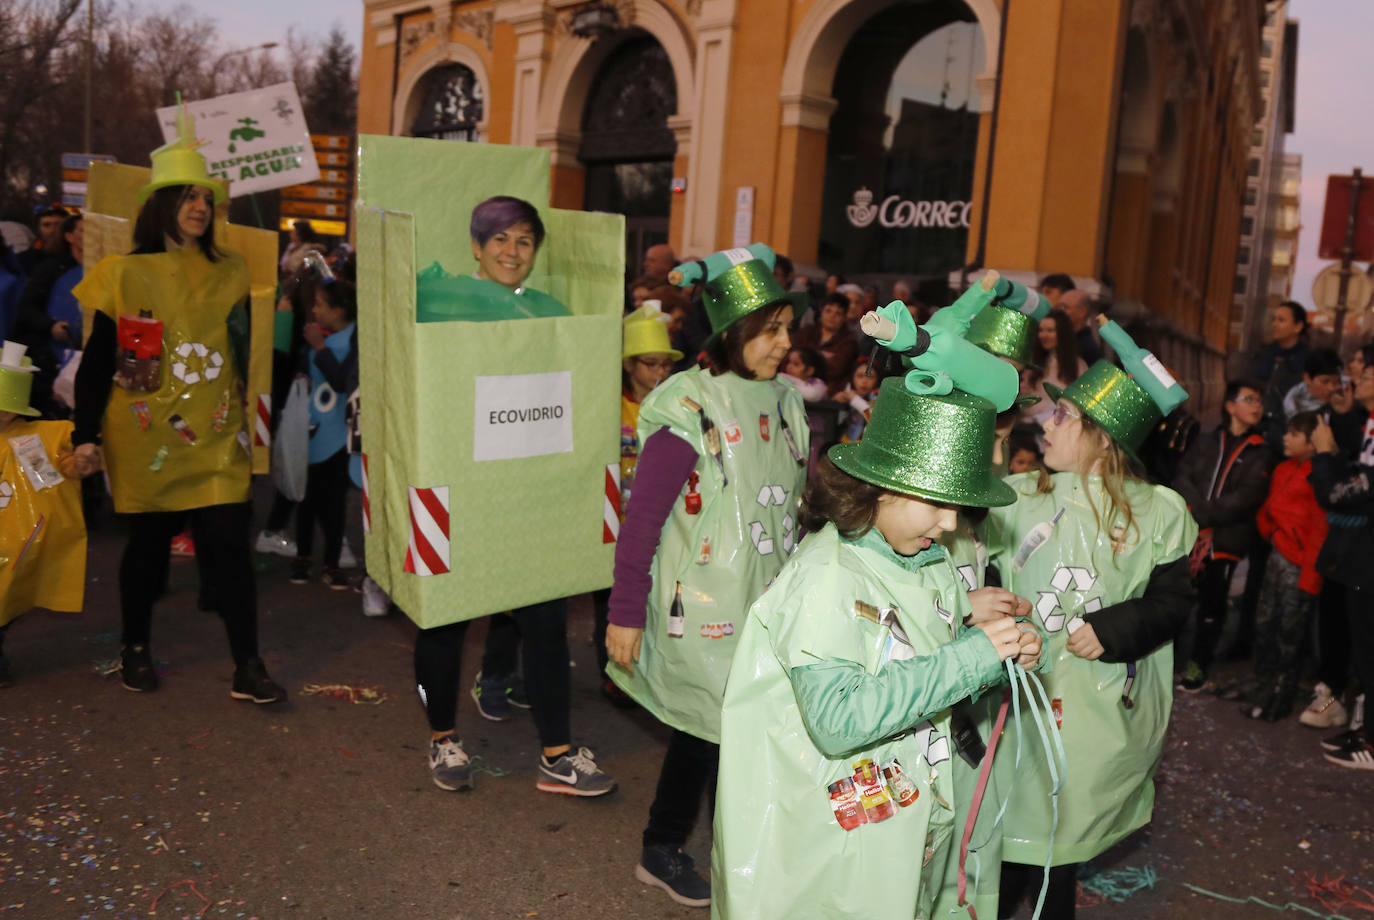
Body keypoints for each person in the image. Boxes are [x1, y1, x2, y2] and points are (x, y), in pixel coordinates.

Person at [711, 382, 1040, 920]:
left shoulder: (924, 559)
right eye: (936, 503)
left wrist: (1003, 658)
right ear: (881, 488)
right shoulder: (825, 579)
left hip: (893, 818)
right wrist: (972, 657)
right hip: (823, 834)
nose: (952, 523)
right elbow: (839, 719)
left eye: (958, 505)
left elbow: (931, 659)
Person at [605, 249, 808, 907]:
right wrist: (626, 612)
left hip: (767, 600)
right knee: (724, 733)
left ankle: (666, 848)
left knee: (713, 732)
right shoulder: (689, 404)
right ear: (730, 331)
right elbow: (644, 522)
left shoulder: (785, 401)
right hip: (704, 611)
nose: (784, 343)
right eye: (770, 329)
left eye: (787, 328)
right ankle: (728, 867)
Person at [71, 113, 286, 703]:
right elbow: (95, 364)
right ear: (160, 204)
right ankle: (134, 648)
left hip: (217, 441)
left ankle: (249, 665)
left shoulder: (233, 271)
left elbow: (249, 353)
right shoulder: (123, 274)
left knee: (230, 551)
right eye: (188, 196)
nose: (200, 207)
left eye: (207, 198)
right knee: (146, 552)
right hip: (146, 442)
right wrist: (84, 435)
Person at [986, 324, 1196, 920]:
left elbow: (1173, 601)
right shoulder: (1021, 494)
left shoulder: (1158, 512)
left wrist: (1115, 628)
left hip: (1093, 705)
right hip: (1022, 694)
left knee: (1063, 834)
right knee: (1005, 828)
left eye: (1065, 417)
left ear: (1103, 439)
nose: (1047, 423)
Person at [413, 195, 615, 796]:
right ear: (476, 247)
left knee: (546, 620)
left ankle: (557, 752)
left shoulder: (552, 313)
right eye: (499, 239)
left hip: (531, 497)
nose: (512, 251)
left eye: (525, 241)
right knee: (443, 622)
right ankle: (441, 735)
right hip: (462, 490)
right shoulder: (436, 304)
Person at [588, 304, 683, 705]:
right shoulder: (607, 404)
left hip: (656, 519)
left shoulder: (677, 405)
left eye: (664, 363)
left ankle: (641, 667)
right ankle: (610, 666)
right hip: (611, 518)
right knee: (608, 597)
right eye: (649, 363)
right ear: (629, 365)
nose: (658, 371)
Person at [0, 340, 97, 686]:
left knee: (4, 593)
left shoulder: (27, 443)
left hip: (11, 542)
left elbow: (47, 481)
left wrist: (77, 463)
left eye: (5, 408)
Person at [1171, 379, 1268, 692]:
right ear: (1230, 406)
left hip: (1226, 540)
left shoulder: (1261, 452)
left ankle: (1199, 665)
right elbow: (1183, 476)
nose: (1256, 406)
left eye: (1259, 401)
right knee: (1176, 599)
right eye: (1249, 398)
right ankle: (1167, 661)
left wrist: (1203, 515)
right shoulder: (1208, 440)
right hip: (1190, 536)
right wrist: (1197, 513)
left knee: (1212, 607)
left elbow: (1246, 497)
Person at [1241, 411, 1327, 721]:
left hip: (1299, 565)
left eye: (1294, 434)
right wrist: (1272, 532)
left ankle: (1280, 695)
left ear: (1312, 442)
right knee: (1265, 624)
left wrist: (1310, 578)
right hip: (1277, 557)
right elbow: (1269, 509)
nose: (1286, 438)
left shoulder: (1319, 476)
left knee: (1289, 635)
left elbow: (1319, 529)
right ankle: (1263, 687)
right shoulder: (1283, 469)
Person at [1308, 370, 1374, 769]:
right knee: (1362, 649)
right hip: (1358, 555)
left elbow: (1338, 493)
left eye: (1364, 371)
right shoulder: (1365, 422)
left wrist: (1324, 454)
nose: (1354, 378)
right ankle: (1365, 731)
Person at [289, 278, 358, 589]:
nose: (314, 309)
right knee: (308, 499)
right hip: (312, 431)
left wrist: (319, 347)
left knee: (333, 503)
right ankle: (302, 558)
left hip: (338, 437)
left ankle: (331, 563)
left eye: (320, 304)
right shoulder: (323, 336)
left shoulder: (354, 339)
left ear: (338, 311)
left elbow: (343, 380)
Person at [13, 213, 82, 417]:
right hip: (52, 359)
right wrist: (50, 326)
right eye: (84, 230)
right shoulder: (50, 269)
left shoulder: (108, 268)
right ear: (69, 236)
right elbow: (26, 308)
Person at [1024, 308, 1085, 425]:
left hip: (1065, 426)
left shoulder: (1078, 365)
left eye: (1050, 330)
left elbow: (1081, 402)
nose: (1043, 335)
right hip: (1033, 425)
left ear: (1062, 333)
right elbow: (1026, 399)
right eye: (1041, 330)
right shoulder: (1033, 363)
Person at [791, 292, 859, 393]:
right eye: (828, 311)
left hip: (829, 391)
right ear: (821, 312)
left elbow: (835, 370)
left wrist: (803, 360)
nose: (832, 316)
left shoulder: (850, 341)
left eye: (838, 313)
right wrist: (821, 355)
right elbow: (790, 355)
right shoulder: (807, 331)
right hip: (794, 382)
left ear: (844, 317)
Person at [1057, 289, 1101, 365]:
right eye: (1059, 307)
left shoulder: (1085, 347)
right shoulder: (1067, 338)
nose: (1060, 312)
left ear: (1082, 312)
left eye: (1065, 307)